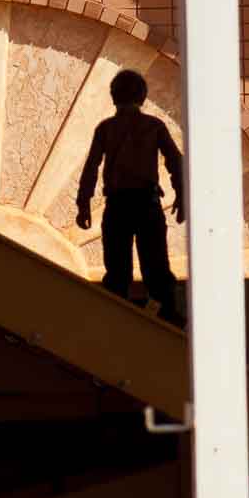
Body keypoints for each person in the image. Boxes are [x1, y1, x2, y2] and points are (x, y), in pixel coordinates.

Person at [75, 69, 185, 323]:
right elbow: (175, 161)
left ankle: (115, 318)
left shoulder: (106, 129)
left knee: (117, 270)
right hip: (147, 204)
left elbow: (91, 166)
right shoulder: (154, 126)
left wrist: (84, 204)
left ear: (113, 97)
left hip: (118, 206)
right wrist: (181, 195)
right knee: (156, 265)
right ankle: (168, 315)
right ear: (143, 97)